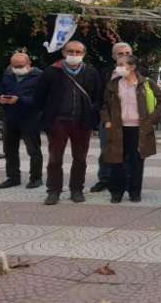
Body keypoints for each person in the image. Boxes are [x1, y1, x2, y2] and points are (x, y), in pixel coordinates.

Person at [35, 41, 102, 205]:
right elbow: (39, 97)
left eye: (78, 52)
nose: (74, 54)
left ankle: (76, 190)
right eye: (70, 51)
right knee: (55, 159)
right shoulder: (51, 71)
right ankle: (53, 191)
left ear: (84, 54)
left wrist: (92, 117)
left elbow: (98, 97)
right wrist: (46, 119)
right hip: (57, 122)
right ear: (64, 52)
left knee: (80, 159)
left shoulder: (91, 72)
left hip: (82, 122)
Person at [101, 55, 161, 203]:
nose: (118, 68)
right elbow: (105, 105)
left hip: (139, 128)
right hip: (118, 128)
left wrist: (151, 120)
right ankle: (116, 192)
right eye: (117, 65)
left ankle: (135, 191)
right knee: (117, 160)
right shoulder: (113, 84)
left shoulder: (146, 83)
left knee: (137, 161)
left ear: (132, 67)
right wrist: (107, 121)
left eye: (122, 65)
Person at [0, 52, 43, 189]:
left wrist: (20, 100)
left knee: (33, 150)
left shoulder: (39, 76)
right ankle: (13, 178)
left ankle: (36, 178)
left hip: (30, 118)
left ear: (29, 64)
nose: (16, 68)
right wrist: (0, 99)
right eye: (13, 65)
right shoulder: (8, 75)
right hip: (10, 117)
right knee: (9, 150)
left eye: (20, 66)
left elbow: (41, 99)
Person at [91, 42, 134, 193]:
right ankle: (104, 179)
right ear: (113, 56)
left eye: (127, 53)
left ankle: (128, 181)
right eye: (120, 53)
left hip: (131, 120)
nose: (124, 56)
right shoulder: (105, 72)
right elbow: (98, 95)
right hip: (108, 119)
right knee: (106, 150)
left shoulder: (140, 73)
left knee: (129, 152)